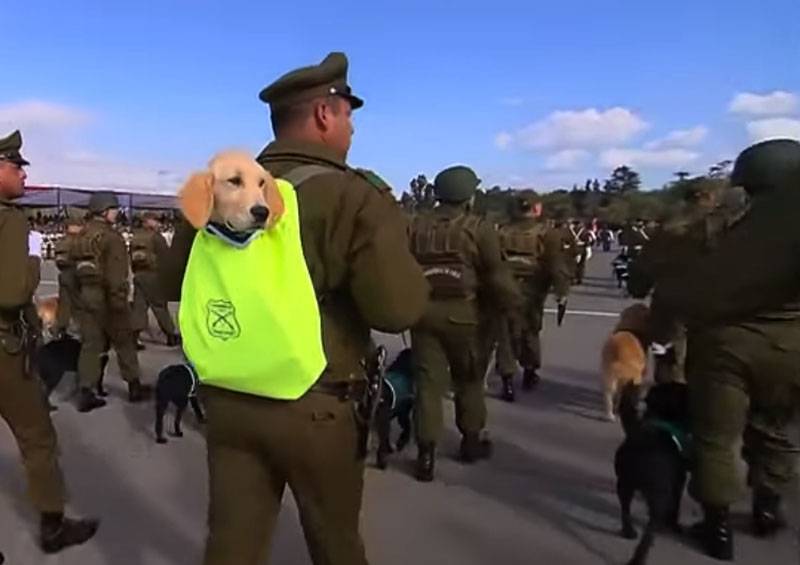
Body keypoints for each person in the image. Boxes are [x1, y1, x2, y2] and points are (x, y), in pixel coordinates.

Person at [161, 51, 428, 565]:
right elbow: (395, 309)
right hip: (318, 403)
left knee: (232, 545)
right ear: (325, 114)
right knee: (336, 545)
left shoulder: (219, 187)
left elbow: (170, 280)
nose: (351, 127)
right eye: (349, 113)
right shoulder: (354, 195)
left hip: (231, 394)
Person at [657, 139, 800, 561]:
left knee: (716, 437)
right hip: (791, 348)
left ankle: (717, 527)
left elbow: (672, 281)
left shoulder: (713, 228)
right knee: (776, 430)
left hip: (723, 348)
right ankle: (768, 509)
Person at [0, 130, 99, 553]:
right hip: (4, 349)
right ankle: (53, 526)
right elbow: (9, 292)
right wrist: (32, 258)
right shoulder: (9, 219)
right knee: (37, 437)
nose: (23, 175)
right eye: (15, 167)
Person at [409, 165, 521, 481]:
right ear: (468, 195)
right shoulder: (479, 228)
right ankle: (470, 441)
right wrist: (514, 308)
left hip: (423, 313)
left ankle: (425, 454)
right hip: (466, 316)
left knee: (428, 384)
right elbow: (497, 276)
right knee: (469, 379)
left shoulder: (415, 225)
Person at [72, 191, 150, 412]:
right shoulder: (111, 238)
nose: (117, 214)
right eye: (114, 210)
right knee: (124, 342)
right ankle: (134, 385)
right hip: (108, 298)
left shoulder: (82, 237)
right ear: (105, 211)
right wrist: (119, 301)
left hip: (87, 295)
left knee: (90, 344)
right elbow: (117, 275)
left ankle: (85, 390)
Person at [494, 191, 570, 400]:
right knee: (530, 331)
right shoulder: (547, 233)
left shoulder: (501, 231)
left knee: (506, 335)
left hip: (505, 288)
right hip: (533, 290)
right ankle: (529, 372)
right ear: (536, 208)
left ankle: (507, 381)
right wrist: (562, 293)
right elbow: (557, 266)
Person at [130, 212, 179, 347]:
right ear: (148, 221)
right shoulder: (156, 238)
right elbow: (166, 258)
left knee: (139, 306)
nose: (158, 223)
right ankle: (171, 335)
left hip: (139, 275)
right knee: (159, 306)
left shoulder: (136, 237)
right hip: (154, 275)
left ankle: (134, 336)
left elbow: (131, 258)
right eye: (156, 220)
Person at [53, 217, 85, 337]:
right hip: (75, 274)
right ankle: (81, 330)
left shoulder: (62, 241)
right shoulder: (79, 242)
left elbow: (59, 260)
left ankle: (60, 328)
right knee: (79, 304)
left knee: (64, 304)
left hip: (64, 274)